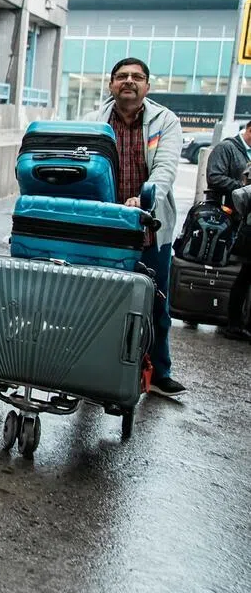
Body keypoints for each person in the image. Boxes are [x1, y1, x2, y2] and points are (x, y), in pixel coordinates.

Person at [84, 57, 187, 398]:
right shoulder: (93, 121)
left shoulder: (164, 122)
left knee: (155, 303)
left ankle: (159, 372)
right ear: (111, 84)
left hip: (149, 227)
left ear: (147, 86)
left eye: (137, 77)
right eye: (122, 76)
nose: (129, 81)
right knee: (98, 301)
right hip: (105, 229)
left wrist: (144, 200)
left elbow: (166, 169)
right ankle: (92, 368)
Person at [206, 120, 251, 340]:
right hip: (225, 216)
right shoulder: (228, 148)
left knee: (242, 270)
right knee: (234, 268)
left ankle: (236, 320)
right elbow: (214, 177)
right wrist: (243, 188)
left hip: (243, 218)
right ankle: (229, 320)